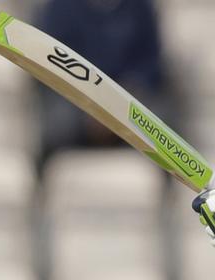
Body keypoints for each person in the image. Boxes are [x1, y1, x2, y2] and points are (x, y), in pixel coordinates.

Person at [33, 0, 167, 172]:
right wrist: (93, 108)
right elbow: (50, 60)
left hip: (130, 103)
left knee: (163, 130)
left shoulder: (140, 6)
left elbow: (151, 63)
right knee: (56, 124)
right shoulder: (61, 6)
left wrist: (119, 103)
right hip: (75, 102)